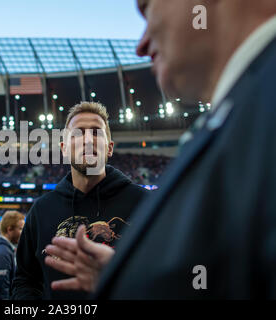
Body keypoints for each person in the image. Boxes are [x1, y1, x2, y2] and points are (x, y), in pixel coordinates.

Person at [45, 0, 276, 299]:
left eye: (146, 7)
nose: (141, 45)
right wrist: (133, 278)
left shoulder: (263, 105)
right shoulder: (245, 110)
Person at [11, 102, 149, 300]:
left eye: (96, 132)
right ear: (64, 149)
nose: (88, 140)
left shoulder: (144, 203)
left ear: (109, 148)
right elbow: (25, 280)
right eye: (78, 133)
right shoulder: (41, 210)